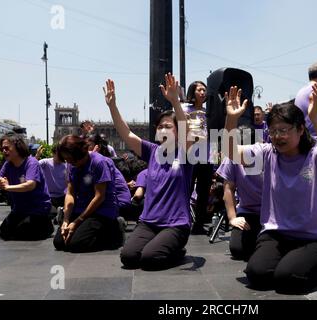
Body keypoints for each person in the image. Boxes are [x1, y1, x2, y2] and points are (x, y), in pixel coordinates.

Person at [224, 83, 317, 292]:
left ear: (300, 129)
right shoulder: (268, 152)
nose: (277, 136)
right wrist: (232, 118)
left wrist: (315, 116)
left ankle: (314, 266)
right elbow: (230, 152)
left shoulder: (315, 153)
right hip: (277, 234)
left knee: (288, 279)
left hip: (314, 238)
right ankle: (293, 263)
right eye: (273, 131)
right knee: (257, 275)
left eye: (283, 130)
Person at [104, 74, 193, 270]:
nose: (163, 129)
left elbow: (185, 128)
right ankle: (163, 246)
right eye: (160, 127)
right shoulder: (152, 151)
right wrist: (112, 107)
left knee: (149, 259)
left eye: (168, 127)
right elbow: (126, 133)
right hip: (149, 222)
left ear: (177, 131)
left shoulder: (186, 152)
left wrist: (175, 101)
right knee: (128, 257)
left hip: (175, 224)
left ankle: (177, 249)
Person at [53, 135, 124, 253]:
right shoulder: (71, 164)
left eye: (71, 159)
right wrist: (65, 220)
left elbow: (99, 197)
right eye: (67, 160)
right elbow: (70, 193)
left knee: (77, 244)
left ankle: (114, 231)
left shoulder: (99, 163)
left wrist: (77, 222)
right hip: (81, 208)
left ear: (81, 154)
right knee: (60, 243)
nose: (69, 163)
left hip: (101, 210)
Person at [0, 133, 53, 240]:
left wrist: (7, 187)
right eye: (2, 149)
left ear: (17, 147)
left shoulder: (31, 162)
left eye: (6, 148)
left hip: (38, 209)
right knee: (3, 233)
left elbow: (30, 185)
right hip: (20, 209)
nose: (3, 151)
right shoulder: (8, 164)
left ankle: (47, 226)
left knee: (23, 232)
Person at [216, 126, 263, 261]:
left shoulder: (265, 154)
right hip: (247, 212)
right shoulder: (231, 159)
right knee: (238, 249)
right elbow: (228, 189)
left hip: (270, 213)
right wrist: (232, 218)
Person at [183, 80, 213, 234]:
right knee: (186, 189)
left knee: (203, 191)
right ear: (192, 92)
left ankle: (199, 224)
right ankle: (182, 220)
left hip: (206, 156)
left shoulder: (209, 112)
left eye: (204, 90)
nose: (203, 93)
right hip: (189, 155)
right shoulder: (185, 109)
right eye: (199, 90)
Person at [35, 144, 67, 211]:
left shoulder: (66, 165)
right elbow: (33, 166)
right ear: (53, 153)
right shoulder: (45, 162)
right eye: (59, 155)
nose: (61, 158)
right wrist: (37, 155)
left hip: (63, 197)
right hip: (48, 197)